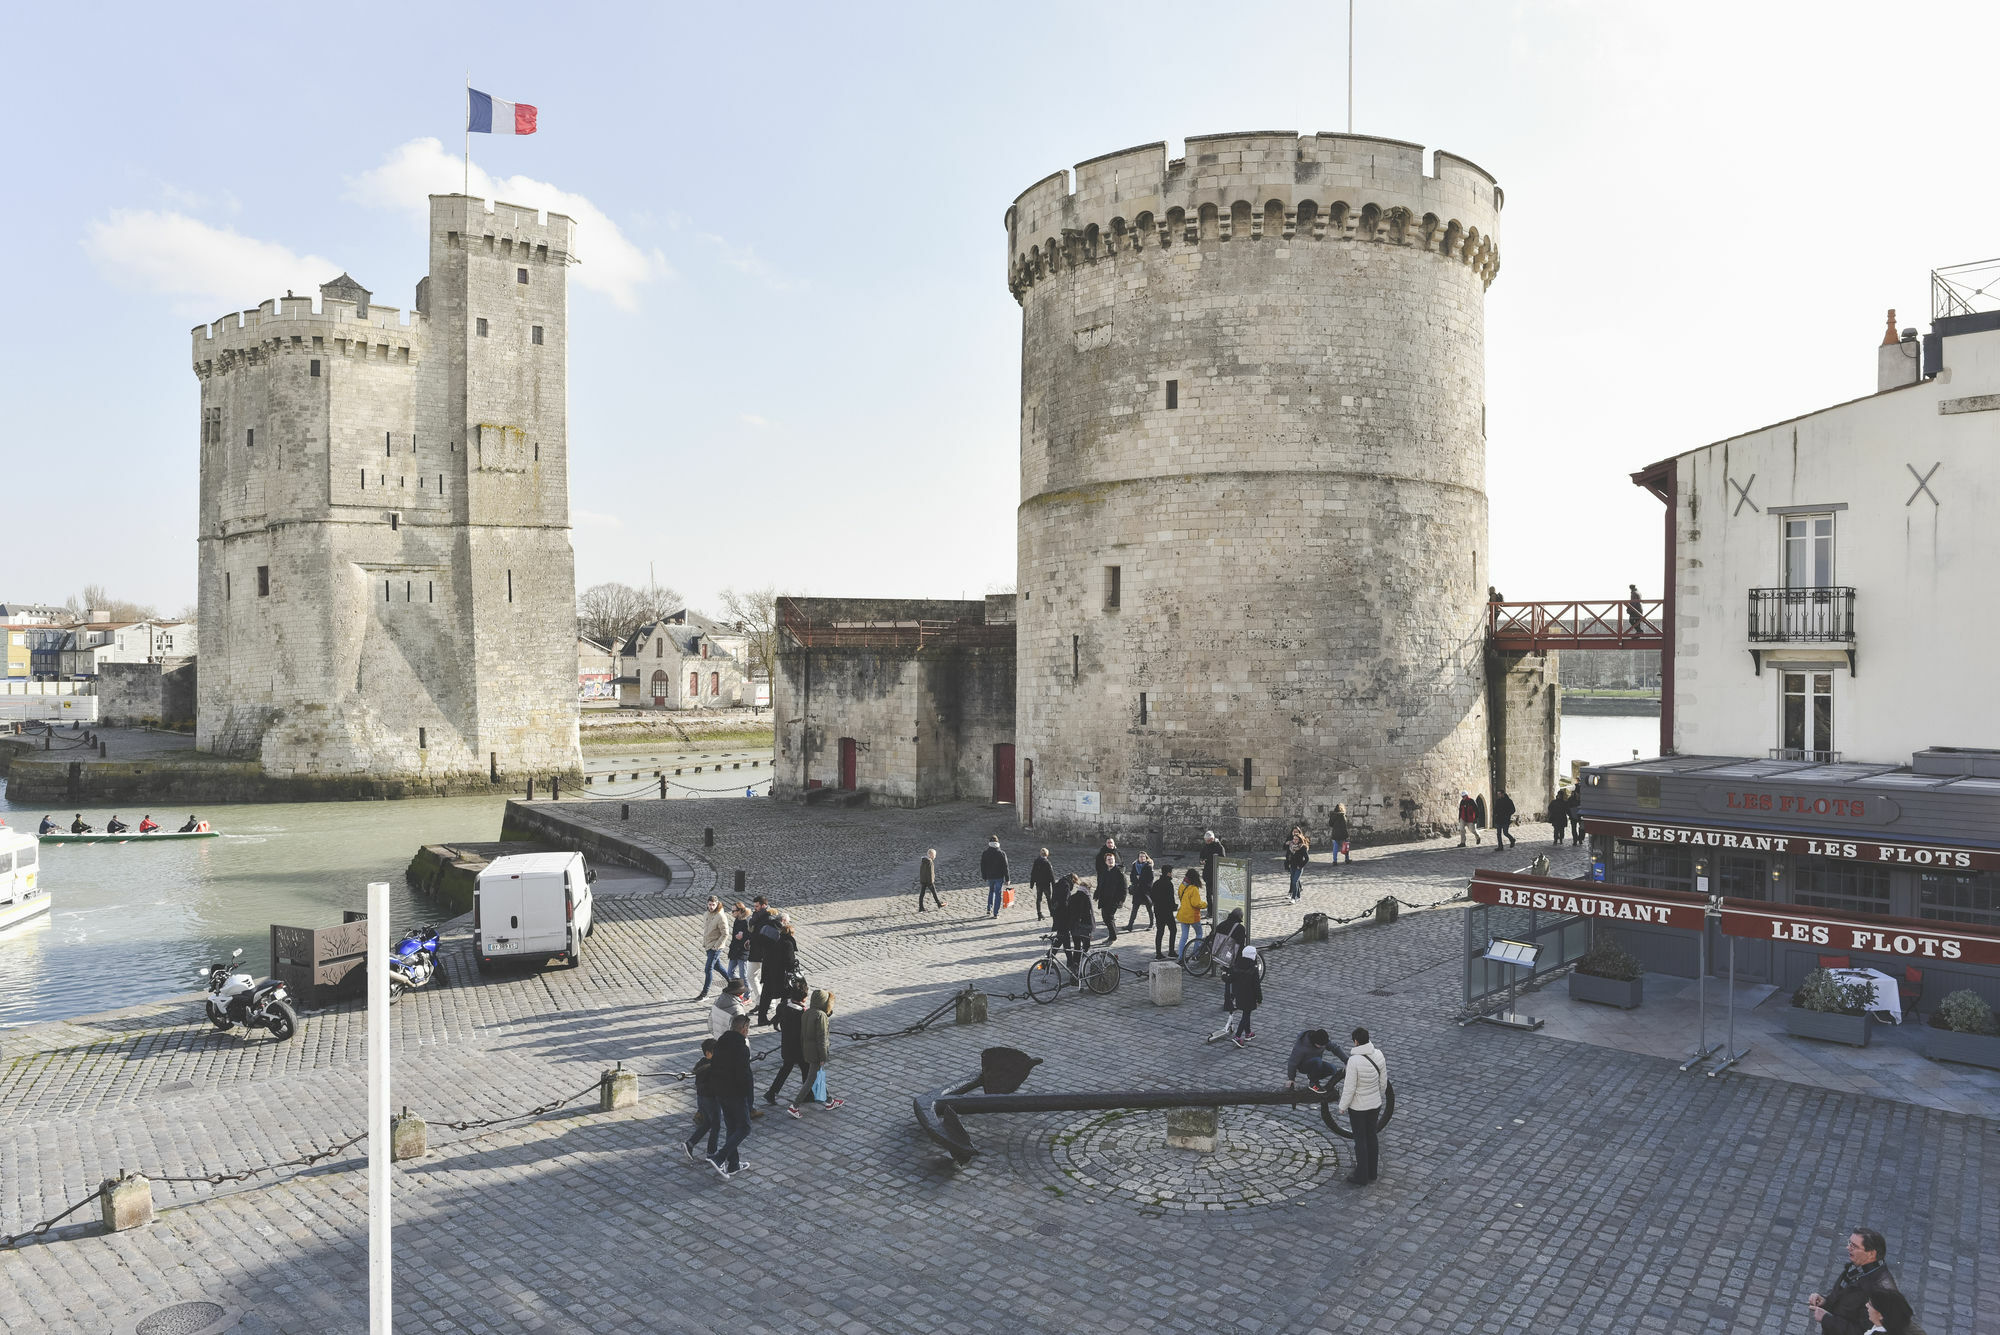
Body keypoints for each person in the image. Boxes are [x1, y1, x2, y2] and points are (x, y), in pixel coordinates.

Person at [1808, 1229, 1898, 1335]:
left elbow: (1863, 1332)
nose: (1848, 1248)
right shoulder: (1856, 1269)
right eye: (1849, 1243)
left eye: (1854, 1246)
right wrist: (1825, 1302)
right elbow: (1842, 1299)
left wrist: (1827, 1319)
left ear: (1871, 1254)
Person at [707, 1014, 755, 1179]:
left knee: (732, 1127)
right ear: (744, 1029)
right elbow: (744, 1076)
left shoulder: (721, 1043)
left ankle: (733, 1164)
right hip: (735, 1094)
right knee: (745, 1127)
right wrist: (748, 1099)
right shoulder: (742, 1049)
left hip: (721, 1092)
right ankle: (720, 1157)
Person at [1339, 1026, 1387, 1186]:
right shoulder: (1379, 1054)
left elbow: (1349, 1087)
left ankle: (1361, 1175)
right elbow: (1383, 1081)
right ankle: (1372, 1172)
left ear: (1356, 1041)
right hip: (1375, 1104)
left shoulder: (1354, 1061)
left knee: (1360, 1140)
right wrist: (1377, 1094)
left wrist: (1342, 1106)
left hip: (1359, 1107)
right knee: (1372, 1136)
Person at [793, 987, 845, 1115]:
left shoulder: (807, 1013)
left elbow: (802, 1035)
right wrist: (823, 1056)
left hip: (808, 1050)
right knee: (811, 1079)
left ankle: (829, 1101)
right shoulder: (821, 1016)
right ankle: (794, 1106)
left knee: (817, 1076)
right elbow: (821, 1039)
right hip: (816, 1053)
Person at [764, 978, 810, 1109]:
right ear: (804, 997)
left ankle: (772, 1092)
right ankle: (807, 1094)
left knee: (786, 1069)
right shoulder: (801, 1013)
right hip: (799, 1048)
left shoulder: (784, 1005)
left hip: (787, 1045)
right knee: (805, 1069)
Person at [682, 1038, 722, 1164]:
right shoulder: (711, 1067)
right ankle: (711, 1153)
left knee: (707, 1123)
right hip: (710, 1099)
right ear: (708, 1053)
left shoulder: (701, 1063)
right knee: (716, 1125)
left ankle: (690, 1143)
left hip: (701, 1098)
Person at [757, 918, 799, 1026]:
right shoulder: (788, 944)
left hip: (769, 972)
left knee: (766, 996)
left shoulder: (776, 941)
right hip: (781, 975)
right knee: (787, 996)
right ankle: (780, 1016)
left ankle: (762, 1018)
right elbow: (789, 962)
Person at [694, 895, 729, 1000]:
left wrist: (716, 946)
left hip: (715, 947)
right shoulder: (706, 914)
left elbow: (725, 933)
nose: (711, 906)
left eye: (713, 905)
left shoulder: (720, 916)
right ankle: (732, 982)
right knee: (717, 966)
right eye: (709, 904)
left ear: (717, 904)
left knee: (708, 968)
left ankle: (704, 993)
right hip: (708, 946)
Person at [1228, 946, 1263, 1047]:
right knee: (1246, 1015)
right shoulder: (1253, 969)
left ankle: (1248, 1033)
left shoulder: (1236, 966)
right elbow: (1256, 986)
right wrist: (1259, 999)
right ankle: (1237, 1036)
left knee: (1246, 1013)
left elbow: (1232, 980)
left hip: (1239, 994)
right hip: (1250, 996)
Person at [745, 896, 776, 1006]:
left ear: (763, 905)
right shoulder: (756, 915)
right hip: (755, 950)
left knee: (767, 978)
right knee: (750, 975)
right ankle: (760, 1001)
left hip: (766, 952)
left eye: (757, 906)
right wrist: (750, 939)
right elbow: (754, 930)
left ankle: (770, 1003)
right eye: (754, 906)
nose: (755, 908)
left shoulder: (770, 917)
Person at [1213, 908, 1246, 1012]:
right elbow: (1240, 945)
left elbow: (1215, 938)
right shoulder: (1240, 928)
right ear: (1240, 917)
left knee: (1227, 978)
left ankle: (1227, 1001)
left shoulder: (1222, 925)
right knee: (1234, 979)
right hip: (1233, 957)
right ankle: (1230, 1002)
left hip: (1222, 955)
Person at [1063, 875, 1094, 972]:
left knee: (1077, 946)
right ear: (1087, 888)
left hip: (1074, 927)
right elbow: (1089, 913)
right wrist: (1091, 927)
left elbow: (1068, 912)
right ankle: (1081, 963)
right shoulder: (1086, 897)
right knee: (1086, 946)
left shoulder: (1072, 897)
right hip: (1084, 927)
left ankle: (1075, 964)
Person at [1094, 856, 1127, 945]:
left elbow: (1124, 888)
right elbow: (1100, 884)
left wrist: (1121, 901)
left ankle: (1113, 937)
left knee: (1109, 918)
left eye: (1112, 859)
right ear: (1106, 861)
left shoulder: (1119, 872)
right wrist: (1097, 894)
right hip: (1104, 899)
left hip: (1114, 900)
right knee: (1105, 918)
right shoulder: (1104, 871)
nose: (1111, 861)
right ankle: (1112, 934)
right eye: (1109, 859)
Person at [1149, 863, 1179, 960]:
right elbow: (1170, 899)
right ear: (1168, 873)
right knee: (1173, 930)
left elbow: (1152, 896)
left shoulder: (1156, 883)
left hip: (1158, 910)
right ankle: (1171, 951)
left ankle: (1158, 953)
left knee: (1160, 931)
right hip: (1167, 911)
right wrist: (1174, 907)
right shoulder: (1168, 884)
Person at [1176, 870, 1207, 958]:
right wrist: (1205, 904)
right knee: (1199, 934)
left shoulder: (1182, 885)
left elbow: (1179, 896)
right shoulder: (1193, 889)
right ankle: (1195, 954)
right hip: (1193, 916)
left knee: (1184, 936)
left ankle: (1180, 956)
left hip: (1183, 915)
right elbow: (1196, 903)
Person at [979, 835, 1010, 918]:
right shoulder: (1002, 853)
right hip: (999, 877)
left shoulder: (985, 853)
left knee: (991, 891)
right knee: (998, 894)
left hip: (990, 876)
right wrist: (1007, 879)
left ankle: (989, 908)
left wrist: (984, 876)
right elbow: (1005, 867)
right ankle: (995, 913)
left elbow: (983, 865)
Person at [1125, 851, 1155, 932]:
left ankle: (1152, 924)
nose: (1142, 858)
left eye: (1143, 857)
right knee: (1134, 908)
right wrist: (1136, 880)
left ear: (1146, 858)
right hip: (1137, 891)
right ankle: (1130, 925)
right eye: (1140, 856)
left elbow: (1150, 879)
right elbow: (1132, 876)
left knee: (1149, 908)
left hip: (1146, 891)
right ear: (1138, 857)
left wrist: (1140, 879)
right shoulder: (1135, 865)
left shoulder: (1148, 866)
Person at [1199, 831, 1227, 920]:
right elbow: (1201, 857)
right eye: (1206, 841)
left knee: (1216, 895)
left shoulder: (1219, 847)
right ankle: (1210, 912)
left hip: (1216, 874)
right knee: (1208, 895)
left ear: (1212, 839)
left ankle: (1216, 911)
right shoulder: (1205, 847)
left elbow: (1223, 860)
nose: (1207, 842)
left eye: (1208, 841)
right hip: (1208, 874)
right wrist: (1202, 861)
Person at [726, 902, 752, 988]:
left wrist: (743, 936)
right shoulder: (737, 919)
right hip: (735, 950)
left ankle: (747, 994)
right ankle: (741, 986)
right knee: (730, 972)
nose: (732, 913)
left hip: (742, 951)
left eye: (734, 911)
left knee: (743, 975)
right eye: (732, 910)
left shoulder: (746, 921)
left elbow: (751, 935)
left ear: (740, 911)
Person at [1029, 847, 1056, 920]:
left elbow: (1033, 873)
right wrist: (1054, 885)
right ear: (1047, 854)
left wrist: (1032, 883)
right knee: (1049, 899)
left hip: (1038, 884)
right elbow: (1051, 875)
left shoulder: (1036, 861)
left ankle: (1039, 914)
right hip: (1046, 884)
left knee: (1039, 899)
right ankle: (1051, 912)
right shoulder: (1047, 862)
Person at [1284, 827, 1310, 901]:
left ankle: (1293, 898)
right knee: (1295, 881)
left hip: (1299, 867)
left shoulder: (1302, 847)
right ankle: (1298, 896)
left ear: (1299, 840)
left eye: (1296, 839)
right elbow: (1289, 855)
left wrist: (1301, 865)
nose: (1294, 840)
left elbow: (1307, 858)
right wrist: (1288, 863)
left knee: (1295, 881)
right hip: (1292, 866)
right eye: (1294, 839)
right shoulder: (1291, 846)